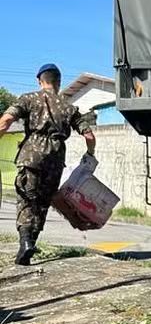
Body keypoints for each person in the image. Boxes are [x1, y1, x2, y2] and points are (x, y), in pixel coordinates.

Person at [0, 64, 96, 264]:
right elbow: (89, 134)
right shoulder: (69, 107)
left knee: (27, 200)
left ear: (40, 81)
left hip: (32, 156)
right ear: (58, 82)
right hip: (55, 160)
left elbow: (6, 120)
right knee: (43, 202)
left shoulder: (28, 99)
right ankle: (30, 245)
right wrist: (90, 154)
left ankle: (25, 243)